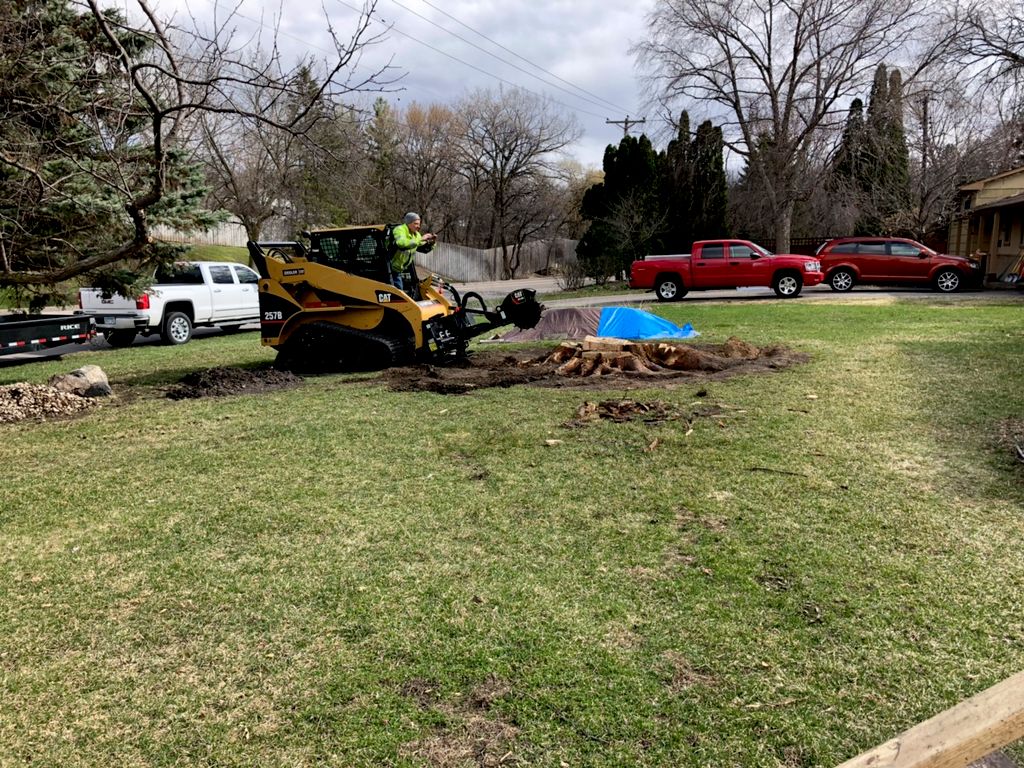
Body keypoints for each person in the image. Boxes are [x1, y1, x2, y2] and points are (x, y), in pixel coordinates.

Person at [390, 212, 437, 294]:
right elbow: (401, 243)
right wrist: (421, 239)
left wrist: (432, 243)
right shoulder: (399, 229)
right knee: (400, 294)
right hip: (391, 268)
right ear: (408, 223)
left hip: (401, 270)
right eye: (415, 224)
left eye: (419, 224)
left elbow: (422, 248)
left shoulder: (416, 234)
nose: (418, 226)